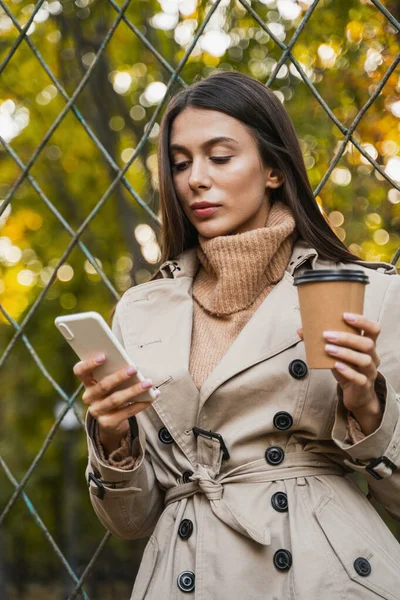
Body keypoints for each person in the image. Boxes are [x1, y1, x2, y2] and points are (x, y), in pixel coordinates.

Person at [74, 71, 400, 599]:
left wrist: (366, 404)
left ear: (273, 168)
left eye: (220, 157)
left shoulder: (367, 292)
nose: (195, 179)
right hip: (185, 572)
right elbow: (130, 522)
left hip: (322, 577)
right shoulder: (141, 313)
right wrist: (113, 439)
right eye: (180, 164)